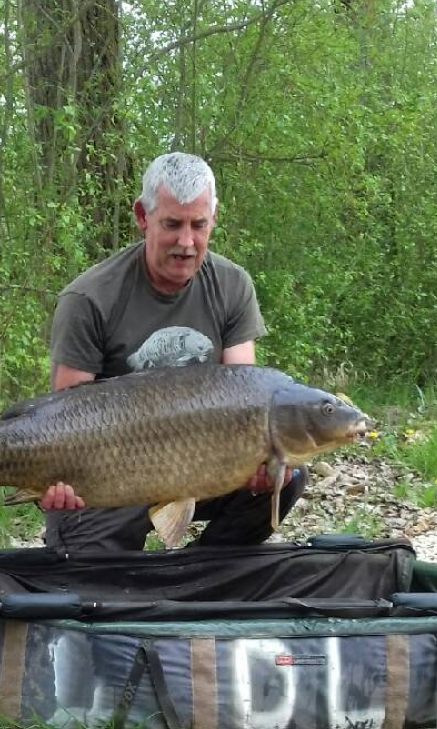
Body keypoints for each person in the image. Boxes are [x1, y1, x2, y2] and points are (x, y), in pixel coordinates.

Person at [41, 151, 307, 552]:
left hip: (200, 467)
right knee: (91, 573)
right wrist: (54, 482)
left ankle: (202, 572)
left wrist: (261, 462)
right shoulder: (89, 298)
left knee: (287, 475)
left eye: (198, 225)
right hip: (110, 474)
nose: (187, 242)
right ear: (142, 216)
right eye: (172, 224)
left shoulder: (233, 286)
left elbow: (245, 395)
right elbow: (63, 419)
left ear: (213, 218)